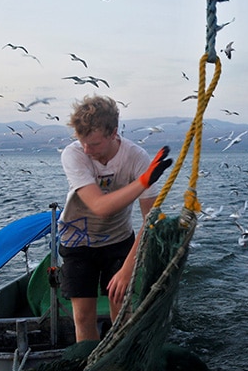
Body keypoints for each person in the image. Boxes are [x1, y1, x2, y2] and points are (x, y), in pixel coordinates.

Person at [57, 95, 172, 341]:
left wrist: (127, 269)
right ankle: (89, 367)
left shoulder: (136, 157)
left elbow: (151, 221)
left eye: (95, 144)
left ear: (113, 133)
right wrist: (143, 182)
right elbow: (100, 206)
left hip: (118, 240)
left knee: (122, 312)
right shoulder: (74, 154)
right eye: (83, 142)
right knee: (83, 317)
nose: (88, 150)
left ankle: (120, 362)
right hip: (77, 241)